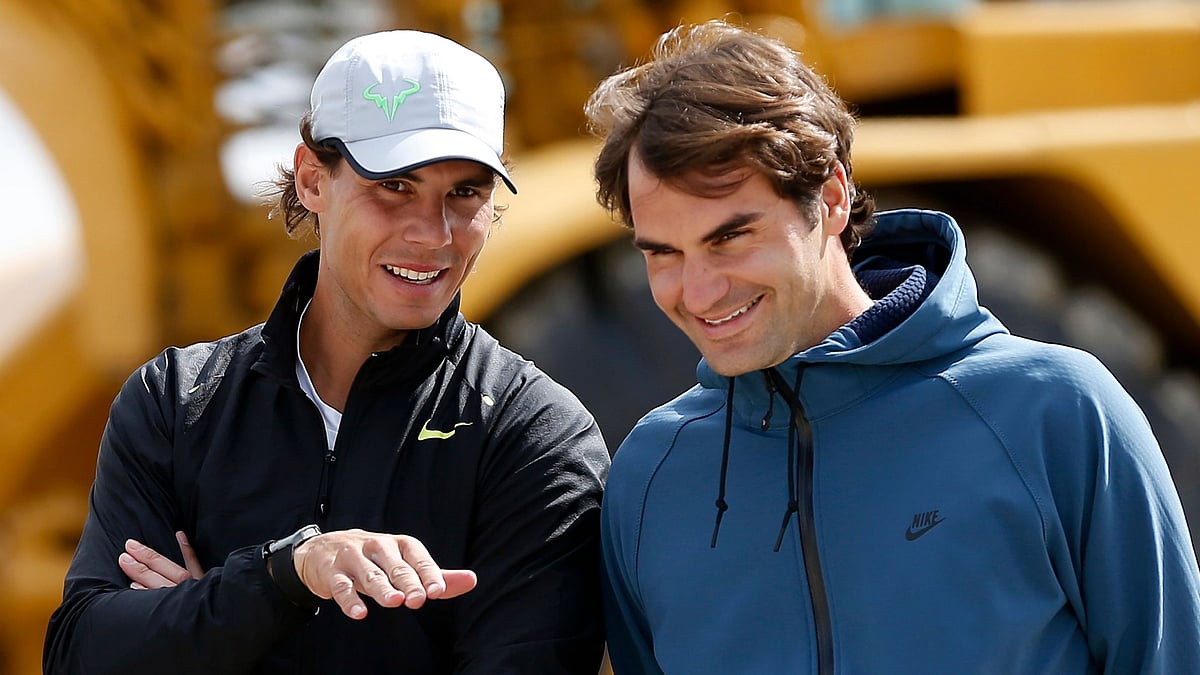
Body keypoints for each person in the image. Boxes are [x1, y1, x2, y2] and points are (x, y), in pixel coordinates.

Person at [584, 19, 1200, 674]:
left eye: (730, 238)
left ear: (831, 198)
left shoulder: (1057, 413)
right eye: (664, 254)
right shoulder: (648, 478)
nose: (700, 291)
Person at [44, 30, 610, 674]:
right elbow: (79, 656)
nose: (433, 234)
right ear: (313, 179)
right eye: (395, 186)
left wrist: (198, 624)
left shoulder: (536, 433)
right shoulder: (175, 401)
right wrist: (285, 574)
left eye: (465, 193)